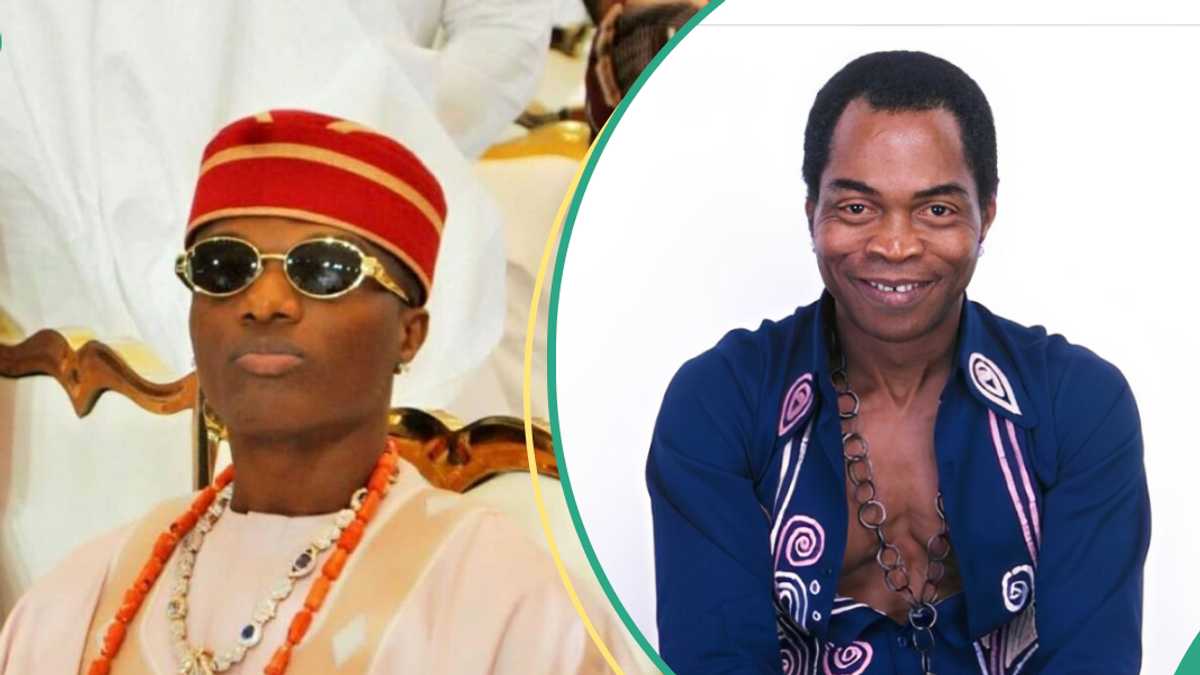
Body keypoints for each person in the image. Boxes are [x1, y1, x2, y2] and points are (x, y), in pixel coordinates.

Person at [0, 110, 632, 674]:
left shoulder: (509, 607)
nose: (264, 301)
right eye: (224, 268)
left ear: (409, 334)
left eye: (325, 270)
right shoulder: (85, 596)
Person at [646, 51, 1150, 674]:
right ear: (812, 213)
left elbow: (1094, 660)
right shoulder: (721, 401)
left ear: (986, 217)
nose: (894, 245)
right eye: (857, 208)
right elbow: (715, 660)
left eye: (936, 210)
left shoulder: (1077, 403)